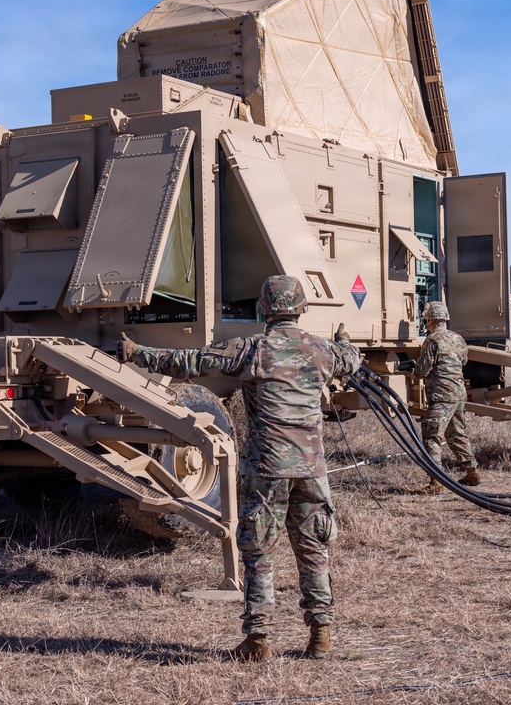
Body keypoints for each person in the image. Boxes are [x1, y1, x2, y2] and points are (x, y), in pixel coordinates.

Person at [119, 275, 361, 662]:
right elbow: (351, 359)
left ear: (263, 309)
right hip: (312, 470)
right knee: (314, 549)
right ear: (301, 308)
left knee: (259, 553)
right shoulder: (323, 350)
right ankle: (321, 635)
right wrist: (345, 339)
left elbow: (188, 363)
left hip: (267, 469)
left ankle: (258, 640)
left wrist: (136, 353)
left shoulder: (251, 349)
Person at [412, 300, 480, 493]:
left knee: (431, 434)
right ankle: (472, 471)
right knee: (456, 433)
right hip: (459, 394)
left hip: (442, 396)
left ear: (430, 319)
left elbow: (421, 371)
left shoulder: (432, 340)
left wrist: (412, 367)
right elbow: (464, 360)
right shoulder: (458, 338)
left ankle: (436, 482)